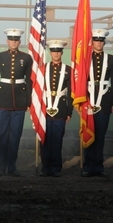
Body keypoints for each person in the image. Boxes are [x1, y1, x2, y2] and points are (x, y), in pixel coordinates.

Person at [0, 28, 33, 177]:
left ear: (20, 41)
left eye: (16, 39)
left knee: (15, 136)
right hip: (2, 100)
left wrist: (29, 101)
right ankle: (0, 167)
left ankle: (12, 167)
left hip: (19, 101)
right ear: (7, 41)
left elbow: (29, 81)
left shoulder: (26, 58)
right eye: (11, 39)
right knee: (1, 135)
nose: (13, 42)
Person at [82, 29, 113, 178]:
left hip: (104, 100)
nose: (98, 43)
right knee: (88, 134)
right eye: (96, 40)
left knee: (100, 136)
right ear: (93, 42)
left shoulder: (110, 59)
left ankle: (98, 166)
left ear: (104, 42)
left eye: (101, 40)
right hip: (89, 100)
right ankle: (87, 166)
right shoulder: (86, 59)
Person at [39, 40, 72, 177]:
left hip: (60, 109)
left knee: (57, 140)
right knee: (45, 140)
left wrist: (69, 111)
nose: (56, 54)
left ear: (62, 53)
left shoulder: (68, 70)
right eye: (53, 51)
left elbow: (70, 92)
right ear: (50, 52)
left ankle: (56, 168)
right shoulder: (43, 69)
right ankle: (45, 168)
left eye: (58, 51)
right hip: (45, 109)